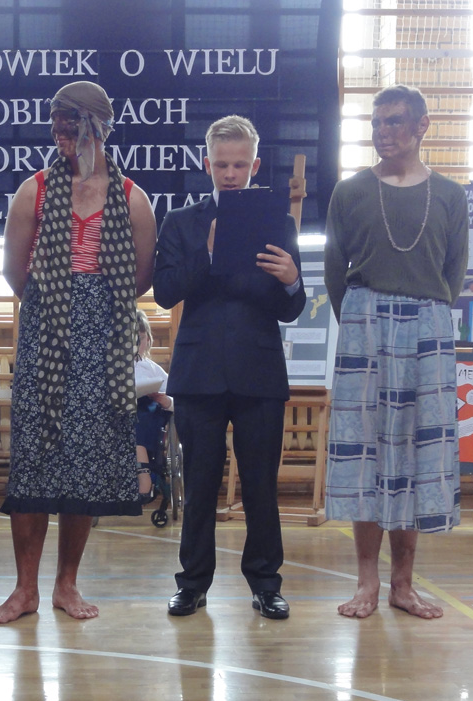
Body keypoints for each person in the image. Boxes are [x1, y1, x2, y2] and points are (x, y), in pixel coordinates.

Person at [0, 81, 158, 624]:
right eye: (55, 122)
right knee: (35, 461)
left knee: (84, 463)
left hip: (103, 342)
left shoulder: (131, 197)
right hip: (45, 338)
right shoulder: (33, 191)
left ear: (98, 127)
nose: (59, 132)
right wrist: (60, 302)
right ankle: (24, 590)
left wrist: (91, 306)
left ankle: (66, 584)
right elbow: (15, 272)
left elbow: (140, 278)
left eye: (70, 122)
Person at [324, 84, 468, 620]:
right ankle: (366, 581)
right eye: (377, 122)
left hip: (428, 324)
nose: (383, 132)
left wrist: (424, 312)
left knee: (417, 450)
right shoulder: (350, 191)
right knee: (364, 450)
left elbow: (453, 272)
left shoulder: (449, 195)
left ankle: (403, 585)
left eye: (395, 121)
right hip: (364, 320)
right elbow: (334, 269)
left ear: (422, 125)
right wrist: (359, 321)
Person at [153, 115, 304, 620]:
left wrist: (291, 280)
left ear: (255, 165)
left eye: (240, 165)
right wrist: (209, 253)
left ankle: (266, 584)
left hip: (259, 370)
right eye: (222, 165)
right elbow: (165, 291)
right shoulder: (181, 222)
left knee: (260, 484)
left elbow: (290, 308)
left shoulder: (278, 223)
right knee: (199, 484)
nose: (231, 173)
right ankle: (192, 584)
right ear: (207, 164)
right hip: (199, 371)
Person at [134, 310, 172, 503]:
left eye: (139, 339)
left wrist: (166, 401)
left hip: (149, 414)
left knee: (143, 412)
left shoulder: (153, 369)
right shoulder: (113, 368)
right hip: (121, 412)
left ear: (148, 340)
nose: (134, 345)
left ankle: (144, 474)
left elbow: (174, 397)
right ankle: (143, 474)